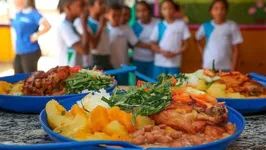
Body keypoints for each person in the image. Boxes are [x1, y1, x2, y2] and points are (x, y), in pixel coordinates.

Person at [195, 0, 243, 71]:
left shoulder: (232, 25)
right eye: (216, 8)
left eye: (222, 9)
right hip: (208, 66)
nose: (219, 12)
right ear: (211, 11)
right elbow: (196, 39)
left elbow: (236, 49)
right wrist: (203, 52)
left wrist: (233, 67)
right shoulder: (205, 26)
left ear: (226, 11)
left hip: (226, 67)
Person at [150, 0, 190, 79]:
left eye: (170, 8)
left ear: (175, 9)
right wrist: (162, 51)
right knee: (157, 86)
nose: (168, 11)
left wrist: (176, 53)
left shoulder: (181, 24)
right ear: (161, 11)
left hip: (174, 64)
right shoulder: (159, 26)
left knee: (173, 87)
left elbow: (186, 45)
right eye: (164, 8)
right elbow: (152, 44)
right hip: (159, 63)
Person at [11, 0, 51, 74]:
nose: (15, 1)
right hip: (19, 51)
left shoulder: (34, 14)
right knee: (17, 76)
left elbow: (48, 26)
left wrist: (36, 35)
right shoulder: (18, 13)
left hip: (30, 51)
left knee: (29, 77)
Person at [107, 4, 140, 85]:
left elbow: (135, 42)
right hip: (108, 66)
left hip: (123, 67)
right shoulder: (104, 27)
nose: (117, 18)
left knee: (123, 88)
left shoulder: (126, 28)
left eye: (119, 15)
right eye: (114, 15)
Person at [55, 0, 90, 67]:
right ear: (68, 7)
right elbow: (84, 50)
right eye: (81, 5)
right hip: (68, 72)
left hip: (74, 70)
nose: (85, 9)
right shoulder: (64, 27)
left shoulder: (72, 25)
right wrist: (83, 24)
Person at [132, 1, 160, 79]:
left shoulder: (158, 23)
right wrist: (152, 46)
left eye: (144, 10)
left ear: (149, 11)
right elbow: (135, 43)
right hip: (138, 60)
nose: (141, 13)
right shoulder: (135, 26)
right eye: (138, 11)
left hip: (154, 60)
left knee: (152, 84)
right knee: (139, 84)